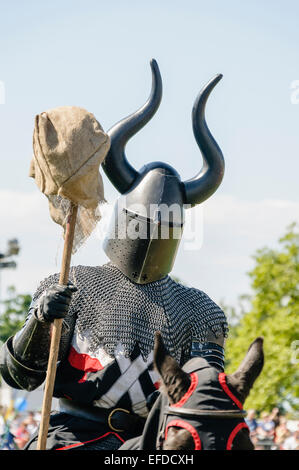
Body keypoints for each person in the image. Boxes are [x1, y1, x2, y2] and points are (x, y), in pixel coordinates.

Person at [0, 61, 228, 450]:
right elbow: (20, 376)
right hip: (72, 437)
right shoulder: (74, 286)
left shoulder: (199, 311)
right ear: (126, 220)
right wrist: (41, 320)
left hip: (152, 445)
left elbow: (205, 398)